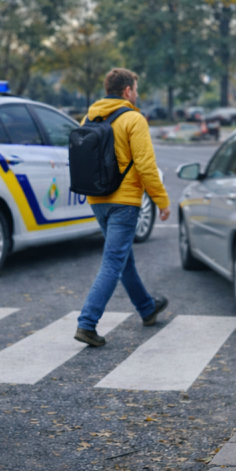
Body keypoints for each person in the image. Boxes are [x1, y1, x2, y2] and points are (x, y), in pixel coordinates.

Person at [74, 68, 172, 347]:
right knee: (113, 262)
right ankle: (87, 323)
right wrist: (162, 201)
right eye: (135, 90)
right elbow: (145, 165)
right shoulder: (133, 119)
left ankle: (147, 308)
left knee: (122, 257)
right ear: (127, 91)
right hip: (124, 202)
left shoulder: (88, 118)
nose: (137, 95)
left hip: (97, 199)